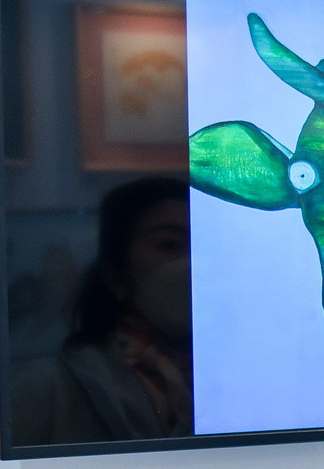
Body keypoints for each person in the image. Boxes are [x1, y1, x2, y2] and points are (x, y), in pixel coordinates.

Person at [11, 177, 193, 445]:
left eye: (206, 243)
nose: (193, 262)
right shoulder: (42, 389)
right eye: (169, 245)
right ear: (116, 277)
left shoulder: (253, 378)